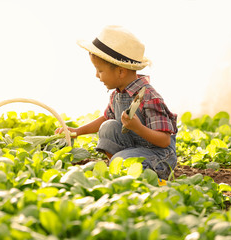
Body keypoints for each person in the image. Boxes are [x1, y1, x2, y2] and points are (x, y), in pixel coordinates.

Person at [57, 25, 178, 180]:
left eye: (100, 70)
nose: (96, 75)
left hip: (159, 155)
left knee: (122, 160)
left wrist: (138, 128)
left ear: (121, 71)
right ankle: (120, 167)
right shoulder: (117, 94)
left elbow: (164, 140)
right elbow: (107, 117)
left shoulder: (149, 96)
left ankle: (137, 170)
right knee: (108, 127)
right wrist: (78, 130)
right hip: (136, 147)